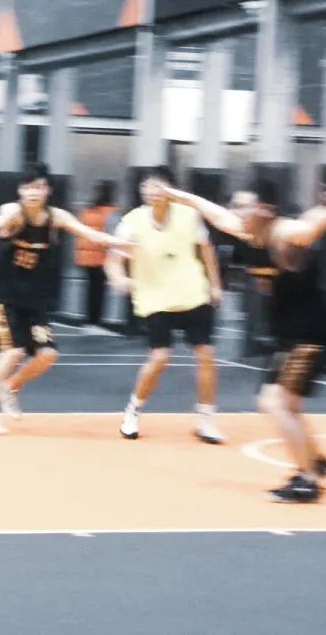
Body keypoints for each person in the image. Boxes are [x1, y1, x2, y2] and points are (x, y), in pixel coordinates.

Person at [159, 180, 326, 502]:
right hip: (289, 337)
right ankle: (315, 461)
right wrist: (177, 195)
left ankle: (307, 480)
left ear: (263, 210)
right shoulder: (249, 232)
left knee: (275, 404)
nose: (235, 212)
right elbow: (213, 213)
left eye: (242, 206)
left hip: (309, 335)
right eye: (235, 206)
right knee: (286, 404)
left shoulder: (285, 233)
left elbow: (310, 229)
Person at [0, 162, 128, 435]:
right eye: (29, 187)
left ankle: (10, 387)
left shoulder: (56, 217)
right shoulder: (13, 211)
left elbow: (90, 234)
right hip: (5, 298)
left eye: (39, 187)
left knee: (48, 355)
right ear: (21, 190)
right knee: (13, 352)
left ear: (47, 191)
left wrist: (124, 244)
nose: (33, 192)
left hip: (33, 301)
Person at [104, 166, 225, 444]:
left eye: (158, 185)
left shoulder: (189, 215)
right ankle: (133, 410)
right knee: (160, 357)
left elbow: (207, 251)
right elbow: (113, 260)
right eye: (147, 186)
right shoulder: (132, 222)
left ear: (171, 190)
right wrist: (119, 278)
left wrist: (215, 284)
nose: (152, 191)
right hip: (155, 297)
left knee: (206, 354)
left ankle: (206, 418)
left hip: (192, 292)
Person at [74, 180, 117, 328]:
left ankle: (88, 317)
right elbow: (112, 235)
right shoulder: (111, 211)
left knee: (90, 288)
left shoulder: (87, 210)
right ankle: (96, 319)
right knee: (99, 290)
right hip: (101, 256)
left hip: (86, 256)